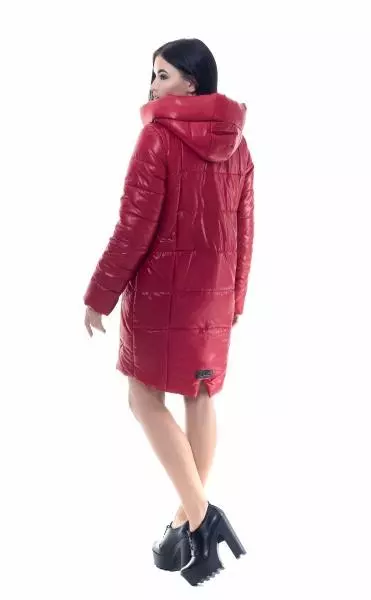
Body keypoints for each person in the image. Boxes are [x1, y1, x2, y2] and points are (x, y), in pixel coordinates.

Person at [83, 38, 254, 586]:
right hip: (214, 296)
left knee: (142, 396)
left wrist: (100, 294)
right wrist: (236, 298)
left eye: (163, 74)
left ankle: (200, 517)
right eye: (153, 74)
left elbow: (134, 227)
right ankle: (184, 526)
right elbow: (245, 230)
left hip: (162, 294)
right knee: (199, 395)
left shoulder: (157, 137)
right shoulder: (238, 144)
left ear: (191, 83)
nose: (153, 85)